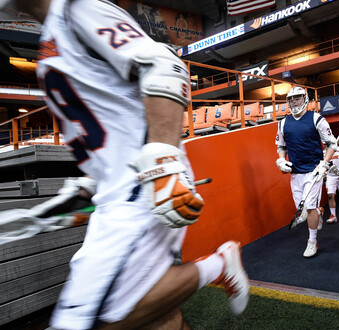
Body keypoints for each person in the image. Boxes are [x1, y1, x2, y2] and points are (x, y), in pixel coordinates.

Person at [3, 0, 249, 329]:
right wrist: (79, 196)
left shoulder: (78, 9)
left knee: (94, 320)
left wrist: (163, 161)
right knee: (156, 317)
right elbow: (109, 125)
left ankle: (218, 265)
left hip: (144, 180)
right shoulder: (53, 32)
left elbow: (164, 65)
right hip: (118, 189)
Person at [275, 86, 337, 258]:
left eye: (297, 98)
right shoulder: (283, 122)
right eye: (291, 99)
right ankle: (320, 212)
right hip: (295, 172)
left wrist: (323, 164)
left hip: (313, 171)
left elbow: (332, 144)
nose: (294, 101)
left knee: (308, 208)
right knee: (301, 211)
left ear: (305, 99)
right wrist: (281, 160)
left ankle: (312, 242)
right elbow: (281, 146)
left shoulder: (316, 119)